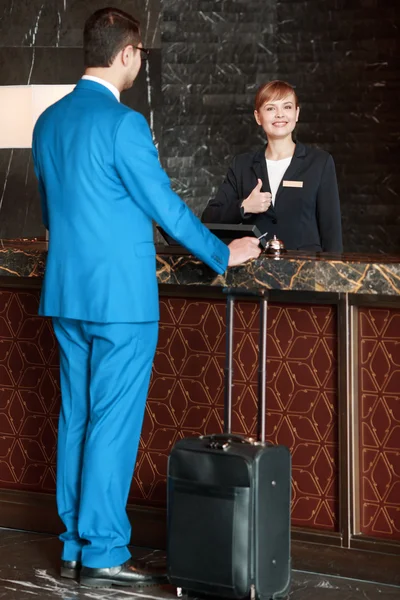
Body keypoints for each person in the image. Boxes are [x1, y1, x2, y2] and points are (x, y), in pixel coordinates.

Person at [32, 7, 260, 590]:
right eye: (140, 55)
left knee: (76, 418)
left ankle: (73, 544)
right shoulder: (123, 124)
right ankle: (104, 547)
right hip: (122, 300)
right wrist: (222, 253)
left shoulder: (49, 122)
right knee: (111, 422)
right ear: (127, 53)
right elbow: (164, 206)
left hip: (66, 291)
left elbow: (61, 207)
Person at [202, 80, 343, 253]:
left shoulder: (320, 162)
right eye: (270, 108)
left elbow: (331, 231)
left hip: (305, 273)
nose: (279, 114)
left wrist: (332, 277)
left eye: (287, 107)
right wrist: (244, 206)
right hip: (254, 273)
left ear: (297, 113)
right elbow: (209, 218)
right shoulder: (242, 165)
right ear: (258, 117)